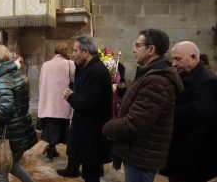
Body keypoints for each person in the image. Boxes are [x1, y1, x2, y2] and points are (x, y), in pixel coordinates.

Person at [102, 28, 183, 182]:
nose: (133, 50)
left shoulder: (157, 81)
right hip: (138, 151)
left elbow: (135, 123)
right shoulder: (150, 74)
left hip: (142, 155)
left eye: (137, 46)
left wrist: (108, 127)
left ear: (151, 49)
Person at [57, 34, 112, 182]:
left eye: (75, 50)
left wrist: (70, 96)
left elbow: (85, 103)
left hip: (91, 131)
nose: (73, 54)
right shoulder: (87, 67)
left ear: (85, 51)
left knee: (91, 173)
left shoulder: (95, 71)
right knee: (89, 171)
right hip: (87, 129)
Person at [160, 41, 217, 182]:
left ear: (193, 58)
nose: (173, 63)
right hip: (180, 151)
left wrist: (165, 112)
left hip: (194, 154)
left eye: (177, 59)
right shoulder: (184, 76)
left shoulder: (208, 81)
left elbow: (197, 113)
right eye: (172, 59)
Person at [0, 45, 38, 182]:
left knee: (1, 170)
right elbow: (14, 103)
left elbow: (5, 111)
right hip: (19, 130)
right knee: (13, 165)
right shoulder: (13, 74)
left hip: (10, 134)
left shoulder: (1, 79)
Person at [37, 42, 75, 160]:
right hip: (63, 102)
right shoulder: (70, 64)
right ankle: (70, 155)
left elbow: (41, 83)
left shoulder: (46, 64)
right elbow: (74, 82)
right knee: (63, 127)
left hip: (49, 102)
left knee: (50, 126)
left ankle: (51, 148)